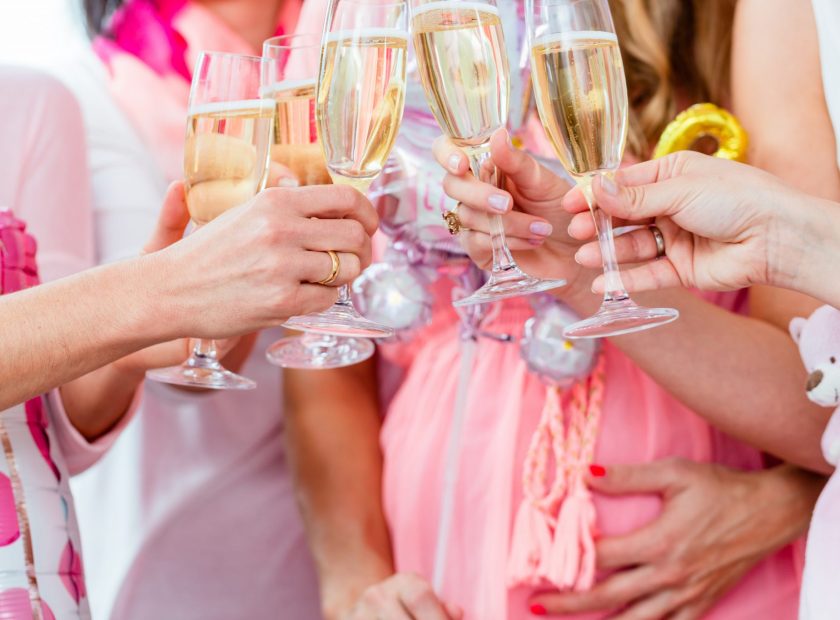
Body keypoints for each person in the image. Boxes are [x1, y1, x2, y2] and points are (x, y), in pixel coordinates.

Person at [288, 1, 826, 619]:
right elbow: (325, 346)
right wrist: (354, 582)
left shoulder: (742, 21)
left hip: (691, 570)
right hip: (441, 548)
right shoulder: (359, 16)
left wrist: (796, 496)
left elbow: (817, 385)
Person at [0, 66, 374, 618]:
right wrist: (159, 292)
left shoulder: (35, 103)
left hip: (40, 578)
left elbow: (50, 418)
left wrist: (134, 348)